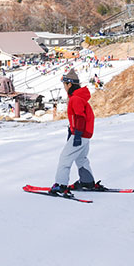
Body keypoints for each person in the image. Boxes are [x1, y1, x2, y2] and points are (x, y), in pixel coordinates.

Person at [48, 68, 103, 197]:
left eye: (65, 85)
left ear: (70, 84)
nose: (64, 88)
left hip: (80, 134)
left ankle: (61, 185)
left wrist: (77, 134)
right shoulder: (77, 97)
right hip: (85, 134)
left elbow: (80, 117)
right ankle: (87, 181)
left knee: (64, 159)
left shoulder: (76, 99)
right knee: (81, 158)